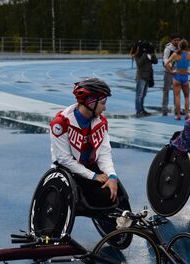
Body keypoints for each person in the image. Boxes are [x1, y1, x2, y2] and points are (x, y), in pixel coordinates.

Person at [49, 78, 119, 207]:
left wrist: (112, 175)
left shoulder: (101, 122)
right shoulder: (60, 123)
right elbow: (64, 159)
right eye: (103, 102)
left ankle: (126, 224)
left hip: (90, 167)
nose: (105, 107)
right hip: (68, 171)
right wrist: (93, 176)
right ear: (91, 102)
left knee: (115, 193)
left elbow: (104, 152)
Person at [165, 39, 190, 120]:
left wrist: (171, 71)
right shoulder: (189, 54)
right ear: (187, 46)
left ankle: (178, 115)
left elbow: (166, 63)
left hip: (177, 76)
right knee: (186, 97)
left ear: (179, 46)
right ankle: (187, 114)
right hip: (185, 76)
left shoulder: (175, 54)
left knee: (177, 96)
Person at [130, 40, 158, 118]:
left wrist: (152, 55)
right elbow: (139, 64)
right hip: (141, 76)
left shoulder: (149, 54)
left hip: (148, 76)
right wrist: (145, 55)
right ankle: (138, 110)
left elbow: (155, 62)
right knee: (139, 95)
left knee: (143, 94)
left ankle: (142, 109)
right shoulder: (137, 54)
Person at [162, 33, 182, 116]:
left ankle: (177, 109)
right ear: (171, 40)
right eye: (175, 40)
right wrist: (170, 68)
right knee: (166, 91)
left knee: (177, 92)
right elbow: (165, 59)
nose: (177, 41)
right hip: (169, 72)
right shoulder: (168, 49)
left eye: (178, 40)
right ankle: (164, 109)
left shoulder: (181, 48)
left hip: (178, 72)